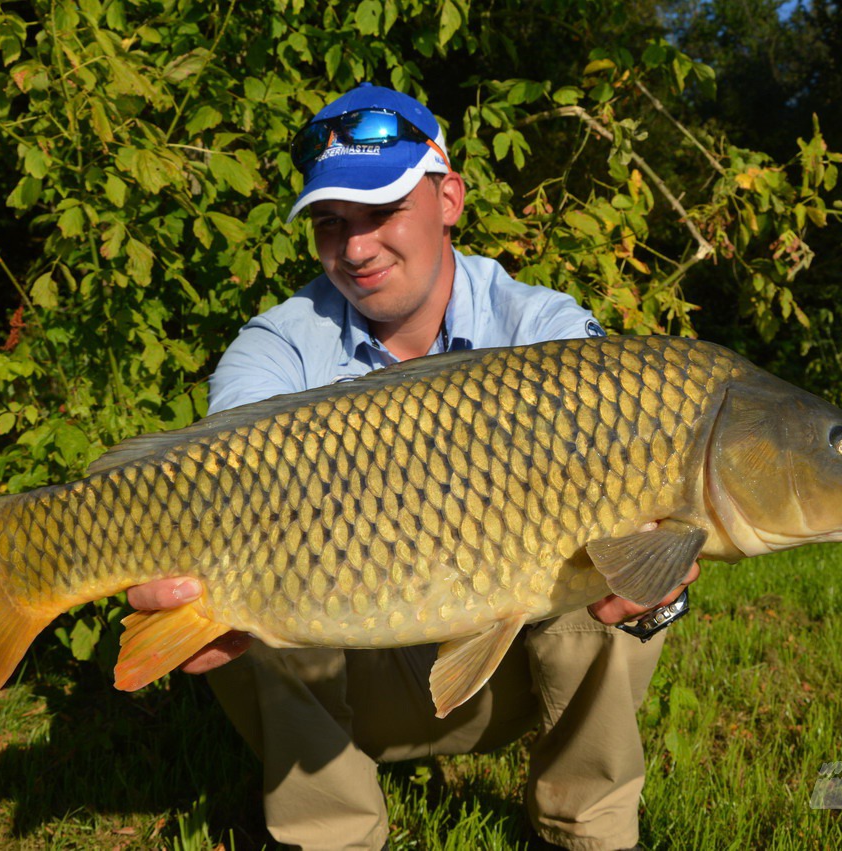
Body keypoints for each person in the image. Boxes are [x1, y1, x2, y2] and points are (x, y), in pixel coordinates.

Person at [128, 83, 699, 851]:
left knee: (618, 547)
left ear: (450, 197)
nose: (355, 248)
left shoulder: (545, 330)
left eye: (381, 213)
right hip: (349, 685)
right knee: (245, 570)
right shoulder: (278, 345)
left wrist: (660, 580)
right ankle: (331, 837)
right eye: (331, 224)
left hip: (510, 682)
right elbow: (215, 472)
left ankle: (589, 831)